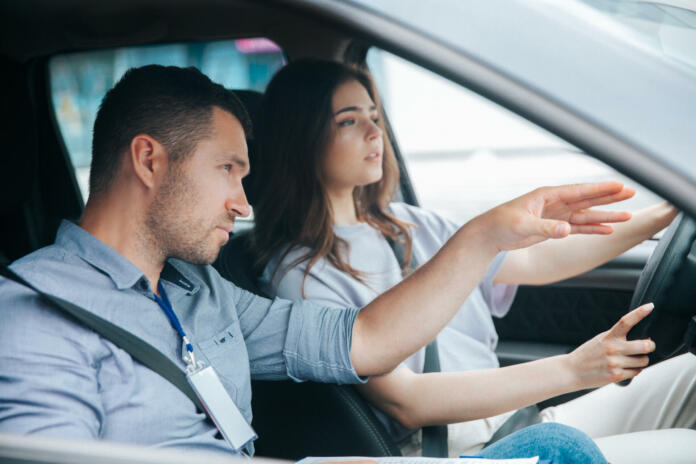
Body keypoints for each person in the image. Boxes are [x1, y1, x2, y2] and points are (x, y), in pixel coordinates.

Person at [0, 65, 620, 464]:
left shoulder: (204, 292)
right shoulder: (34, 317)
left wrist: (485, 236)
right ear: (150, 161)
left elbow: (367, 339)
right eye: (228, 171)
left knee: (552, 448)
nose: (244, 202)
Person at [251, 59, 696, 462]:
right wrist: (572, 369)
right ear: (301, 137)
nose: (374, 133)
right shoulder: (301, 273)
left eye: (374, 116)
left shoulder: (409, 223)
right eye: (349, 121)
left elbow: (541, 262)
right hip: (455, 451)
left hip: (513, 421)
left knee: (691, 375)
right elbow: (409, 402)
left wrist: (671, 208)